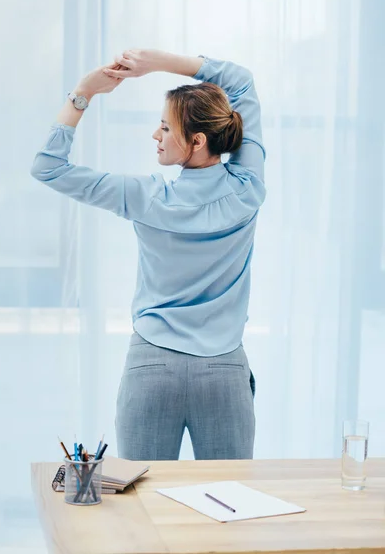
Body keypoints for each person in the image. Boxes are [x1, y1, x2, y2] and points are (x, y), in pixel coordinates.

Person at [31, 49, 266, 461]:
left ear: (197, 140)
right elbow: (241, 79)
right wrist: (156, 62)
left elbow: (48, 167)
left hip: (152, 366)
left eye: (164, 128)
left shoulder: (145, 196)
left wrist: (84, 91)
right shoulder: (247, 188)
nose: (155, 136)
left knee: (144, 506)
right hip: (223, 370)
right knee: (229, 503)